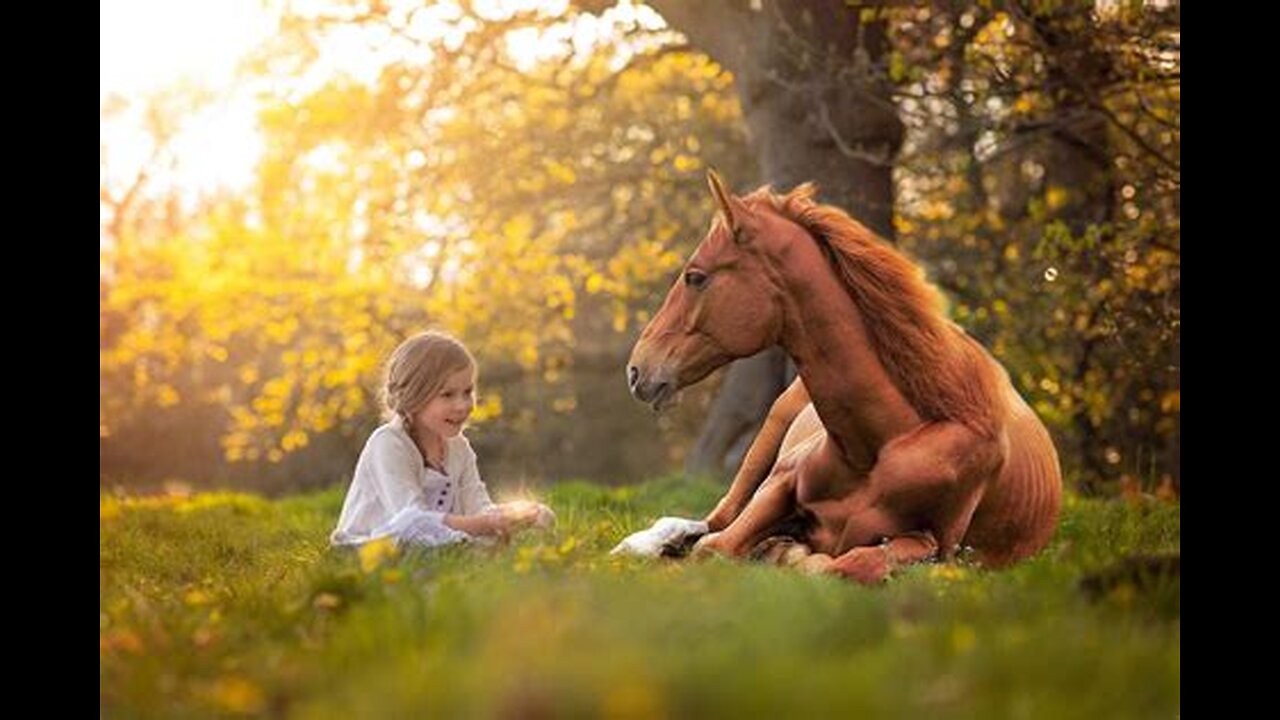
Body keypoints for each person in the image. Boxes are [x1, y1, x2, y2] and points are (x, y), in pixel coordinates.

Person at [331, 331, 553, 549]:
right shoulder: (388, 443)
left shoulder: (459, 447)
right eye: (447, 395)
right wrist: (484, 524)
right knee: (417, 529)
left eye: (468, 392)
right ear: (414, 398)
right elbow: (410, 520)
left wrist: (513, 516)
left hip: (434, 541)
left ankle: (470, 546)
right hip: (374, 547)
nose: (463, 405)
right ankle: (466, 546)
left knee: (525, 521)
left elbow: (478, 506)